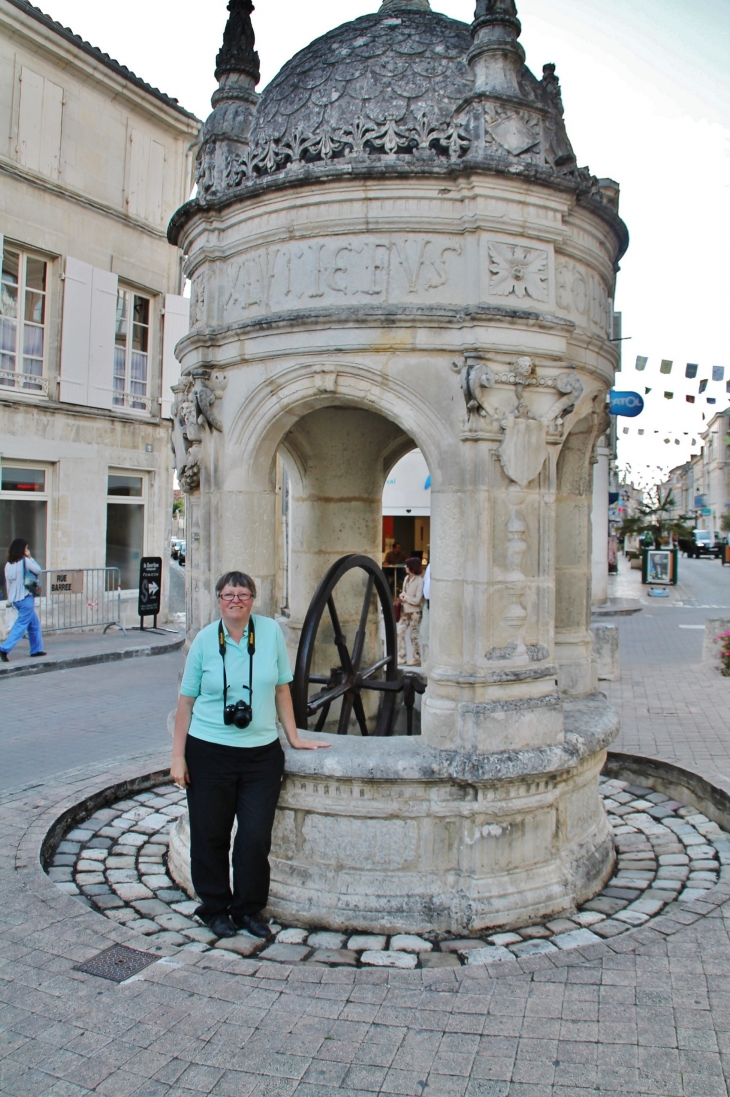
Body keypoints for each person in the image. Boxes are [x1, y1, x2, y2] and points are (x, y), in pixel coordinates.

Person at [170, 570, 329, 940]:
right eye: (229, 594)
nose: (236, 600)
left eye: (243, 594)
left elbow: (282, 689)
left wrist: (295, 737)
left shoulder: (270, 633)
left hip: (260, 755)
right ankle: (214, 909)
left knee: (255, 837)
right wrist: (178, 757)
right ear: (219, 600)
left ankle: (248, 909)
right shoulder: (206, 641)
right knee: (211, 835)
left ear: (253, 599)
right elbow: (185, 704)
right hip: (209, 752)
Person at [0, 539, 45, 663]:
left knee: (34, 623)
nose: (26, 550)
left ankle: (36, 650)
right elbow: (38, 570)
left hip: (16, 599)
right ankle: (4, 648)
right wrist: (30, 557)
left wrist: (10, 600)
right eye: (26, 548)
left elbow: (8, 584)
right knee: (21, 625)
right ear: (22, 549)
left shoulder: (8, 565)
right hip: (26, 597)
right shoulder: (25, 561)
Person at [397, 556, 424, 666]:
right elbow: (404, 592)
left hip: (414, 612)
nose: (405, 567)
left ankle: (416, 657)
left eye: (407, 565)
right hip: (405, 610)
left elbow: (417, 600)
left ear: (412, 567)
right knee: (400, 632)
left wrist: (406, 598)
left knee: (413, 635)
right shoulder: (406, 579)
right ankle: (402, 656)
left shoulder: (419, 581)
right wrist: (402, 596)